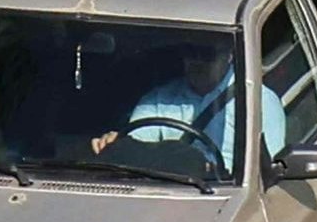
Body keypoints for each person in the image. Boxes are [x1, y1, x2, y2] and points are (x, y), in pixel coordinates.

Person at [91, 39, 283, 175]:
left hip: (226, 196)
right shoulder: (159, 99)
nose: (197, 61)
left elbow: (268, 176)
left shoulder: (257, 101)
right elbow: (135, 152)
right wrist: (116, 143)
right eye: (190, 52)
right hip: (165, 191)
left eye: (207, 54)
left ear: (229, 55)